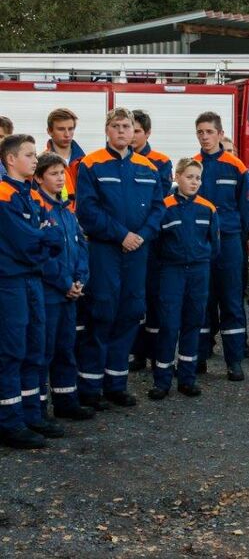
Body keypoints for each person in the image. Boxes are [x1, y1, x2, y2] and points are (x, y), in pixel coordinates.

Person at [75, 107, 165, 410]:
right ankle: (90, 388)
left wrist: (142, 234)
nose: (122, 131)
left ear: (134, 130)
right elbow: (87, 211)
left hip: (137, 252)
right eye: (116, 126)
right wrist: (121, 235)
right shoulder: (91, 164)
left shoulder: (148, 167)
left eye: (127, 126)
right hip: (105, 252)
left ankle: (116, 384)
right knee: (101, 314)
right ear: (107, 130)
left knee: (129, 314)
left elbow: (158, 208)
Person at [0, 134, 65, 449]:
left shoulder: (29, 195)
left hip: (31, 279)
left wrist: (41, 239)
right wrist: (42, 239)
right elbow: (27, 242)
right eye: (28, 155)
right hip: (10, 281)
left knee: (34, 348)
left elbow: (51, 239)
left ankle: (32, 414)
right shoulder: (3, 194)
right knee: (12, 350)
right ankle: (10, 424)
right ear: (11, 159)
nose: (35, 159)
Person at [148, 158, 219, 400]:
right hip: (172, 272)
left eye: (198, 178)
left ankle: (187, 379)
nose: (194, 182)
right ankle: (162, 381)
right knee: (169, 326)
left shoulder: (208, 209)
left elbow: (215, 245)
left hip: (199, 272)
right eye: (189, 177)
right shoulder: (164, 208)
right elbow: (155, 246)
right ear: (177, 177)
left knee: (193, 324)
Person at [193, 112, 249, 382]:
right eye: (200, 132)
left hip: (229, 241)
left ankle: (234, 361)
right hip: (199, 242)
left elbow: (248, 208)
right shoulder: (192, 165)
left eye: (209, 132)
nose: (205, 137)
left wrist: (236, 235)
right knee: (201, 302)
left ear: (220, 134)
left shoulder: (236, 166)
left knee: (231, 301)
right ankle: (199, 358)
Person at [34, 152, 94, 421]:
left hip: (71, 293)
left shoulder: (66, 210)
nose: (60, 178)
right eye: (53, 174)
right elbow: (43, 255)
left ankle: (66, 401)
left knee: (65, 348)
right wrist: (64, 283)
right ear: (39, 178)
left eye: (62, 173)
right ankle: (39, 408)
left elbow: (81, 246)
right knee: (43, 351)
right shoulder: (39, 209)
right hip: (50, 293)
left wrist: (81, 279)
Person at [128, 109, 173, 373]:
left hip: (152, 240)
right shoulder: (118, 160)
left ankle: (156, 352)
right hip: (127, 240)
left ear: (147, 133)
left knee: (155, 298)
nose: (131, 136)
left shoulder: (160, 161)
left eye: (136, 131)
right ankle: (135, 353)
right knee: (134, 298)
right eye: (128, 130)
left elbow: (160, 200)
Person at [45, 108, 85, 199]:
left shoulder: (86, 162)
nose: (67, 134)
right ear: (49, 131)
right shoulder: (41, 164)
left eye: (70, 129)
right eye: (61, 129)